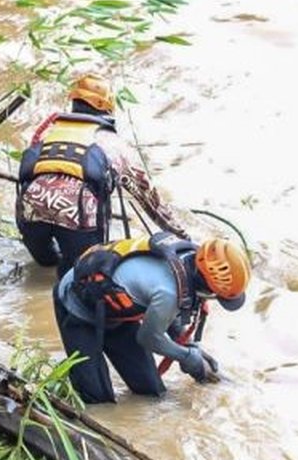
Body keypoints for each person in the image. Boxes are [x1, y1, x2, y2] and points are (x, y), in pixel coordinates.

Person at [16, 73, 187, 276]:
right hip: (79, 218)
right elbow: (147, 197)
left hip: (29, 210)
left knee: (45, 263)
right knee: (78, 275)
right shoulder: (112, 143)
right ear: (107, 106)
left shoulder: (49, 130)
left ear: (74, 102)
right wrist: (181, 236)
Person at [53, 233, 250, 404]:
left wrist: (186, 343)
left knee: (152, 393)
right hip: (77, 306)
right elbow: (148, 337)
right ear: (207, 286)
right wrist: (187, 357)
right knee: (97, 400)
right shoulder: (168, 292)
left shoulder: (188, 259)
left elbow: (166, 309)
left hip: (116, 311)